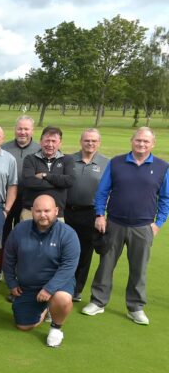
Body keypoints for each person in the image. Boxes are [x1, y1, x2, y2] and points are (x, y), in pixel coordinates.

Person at [83, 127, 169, 326]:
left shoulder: (162, 167)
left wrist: (158, 224)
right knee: (106, 264)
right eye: (138, 140)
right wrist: (99, 215)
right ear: (132, 141)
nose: (141, 144)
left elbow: (165, 199)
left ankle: (135, 307)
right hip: (114, 223)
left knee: (139, 269)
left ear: (152, 144)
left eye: (146, 142)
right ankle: (98, 301)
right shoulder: (116, 163)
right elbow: (102, 192)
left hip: (143, 227)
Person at [3, 195, 80, 347]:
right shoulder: (19, 230)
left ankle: (56, 328)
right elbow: (8, 257)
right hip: (28, 286)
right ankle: (45, 308)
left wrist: (49, 289)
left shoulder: (68, 234)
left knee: (62, 299)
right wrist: (11, 283)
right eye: (38, 211)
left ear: (56, 211)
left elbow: (69, 266)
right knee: (23, 326)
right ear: (32, 211)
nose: (43, 215)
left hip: (58, 285)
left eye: (47, 211)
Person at [64, 129, 108, 302]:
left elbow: (109, 191)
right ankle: (61, 283)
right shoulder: (68, 159)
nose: (90, 143)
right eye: (87, 140)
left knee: (84, 252)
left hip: (90, 213)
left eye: (94, 141)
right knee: (64, 249)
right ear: (81, 141)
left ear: (99, 142)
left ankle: (76, 289)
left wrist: (102, 215)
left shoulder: (106, 163)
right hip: (67, 210)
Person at [21, 126, 74, 220]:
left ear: (60, 143)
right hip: (31, 212)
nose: (50, 144)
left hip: (57, 213)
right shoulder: (30, 159)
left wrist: (45, 175)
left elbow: (69, 181)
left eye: (54, 141)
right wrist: (59, 184)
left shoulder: (67, 160)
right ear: (41, 141)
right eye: (47, 140)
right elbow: (29, 182)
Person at [1, 116, 41, 242]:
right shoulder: (3, 148)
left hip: (29, 200)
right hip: (6, 199)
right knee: (4, 233)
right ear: (15, 130)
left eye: (26, 129)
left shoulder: (39, 150)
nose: (22, 132)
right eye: (19, 129)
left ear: (32, 131)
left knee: (24, 234)